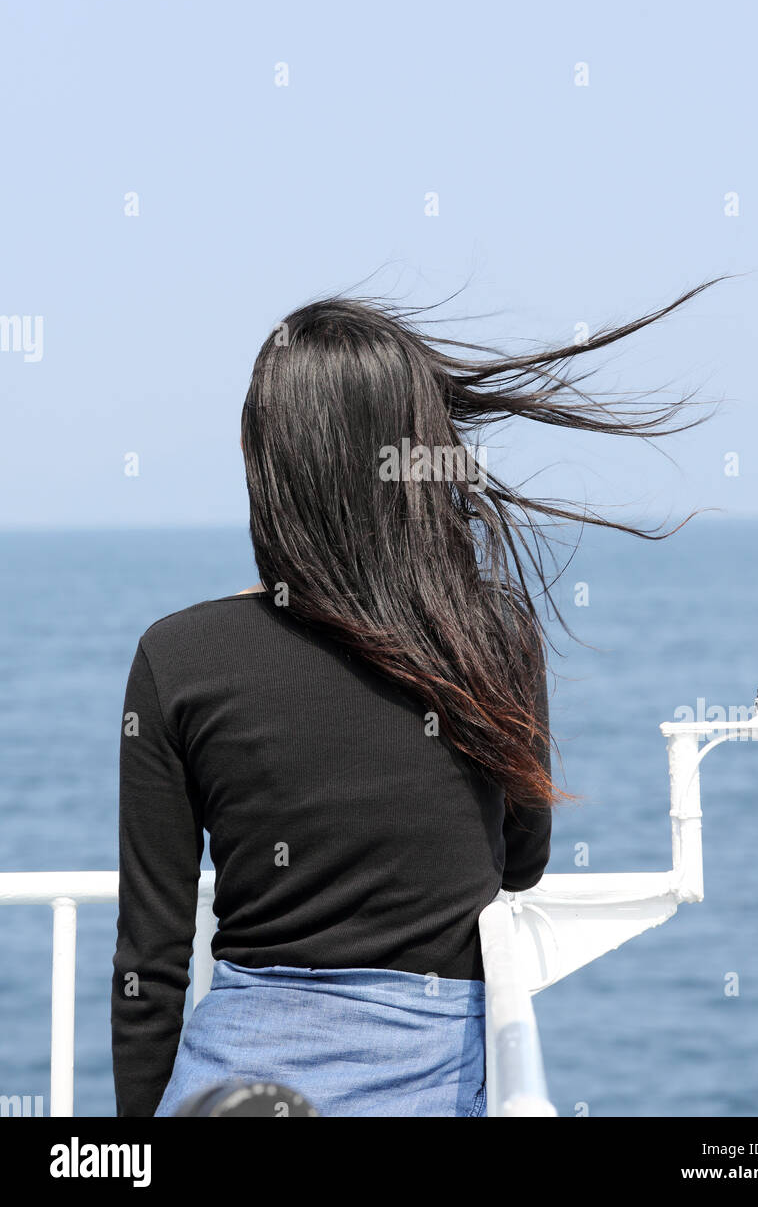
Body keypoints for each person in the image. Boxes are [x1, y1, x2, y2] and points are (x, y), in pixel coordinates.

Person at [111, 283, 718, 1117]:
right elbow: (522, 863)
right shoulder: (489, 636)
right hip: (424, 1065)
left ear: (267, 463)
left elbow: (151, 958)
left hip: (233, 1064)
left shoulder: (177, 655)